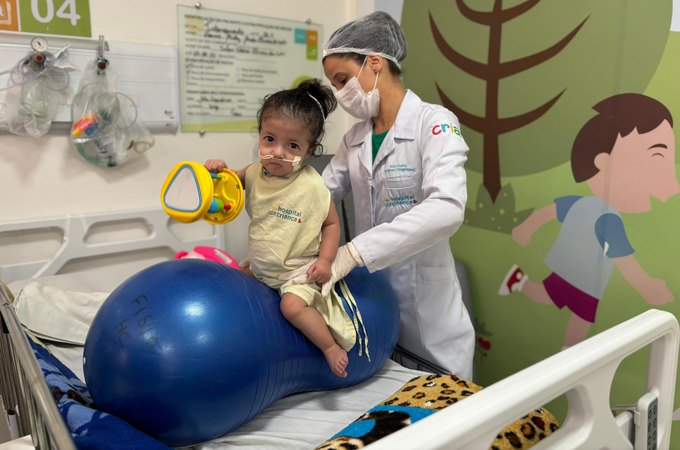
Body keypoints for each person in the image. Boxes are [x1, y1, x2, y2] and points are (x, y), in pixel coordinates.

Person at [312, 11, 475, 378]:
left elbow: (447, 208)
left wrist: (354, 251)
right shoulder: (355, 139)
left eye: (342, 80)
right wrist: (260, 183)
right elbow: (318, 197)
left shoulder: (434, 123)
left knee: (445, 415)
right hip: (376, 312)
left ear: (374, 62)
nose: (340, 95)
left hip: (432, 322)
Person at [205, 79, 356, 377]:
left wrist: (325, 262)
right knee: (233, 281)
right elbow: (227, 184)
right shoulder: (253, 173)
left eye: (292, 146)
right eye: (269, 139)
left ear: (309, 150)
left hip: (295, 271)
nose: (277, 152)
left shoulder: (312, 185)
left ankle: (329, 347)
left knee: (291, 307)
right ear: (260, 136)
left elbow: (331, 223)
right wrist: (217, 169)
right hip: (263, 267)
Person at [499, 93, 676, 348]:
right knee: (555, 303)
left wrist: (526, 228)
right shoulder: (608, 218)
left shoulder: (585, 204)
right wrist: (646, 286)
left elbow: (550, 211)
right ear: (603, 163)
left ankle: (521, 284)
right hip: (581, 278)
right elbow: (624, 259)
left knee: (555, 302)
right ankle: (569, 354)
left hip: (579, 276)